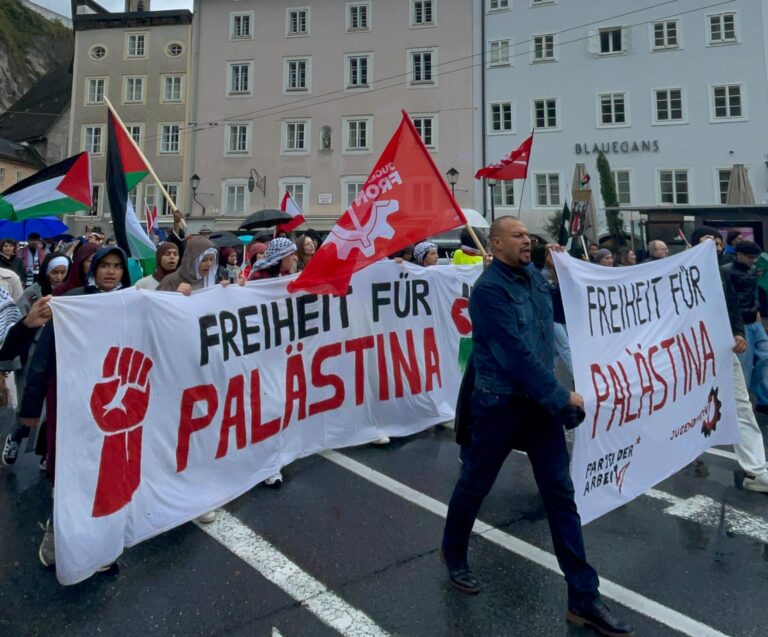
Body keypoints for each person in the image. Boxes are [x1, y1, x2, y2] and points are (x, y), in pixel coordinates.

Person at [441, 216, 634, 636]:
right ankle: (454, 554)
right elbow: (516, 355)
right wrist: (562, 396)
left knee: (561, 497)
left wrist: (568, 269)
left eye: (529, 235)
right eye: (518, 236)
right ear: (495, 243)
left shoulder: (535, 280)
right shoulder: (488, 293)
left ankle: (583, 597)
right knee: (474, 484)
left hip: (538, 408)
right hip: (499, 406)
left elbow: (565, 322)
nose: (527, 241)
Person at [20, 247, 131, 569]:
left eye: (117, 266)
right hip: (71, 403)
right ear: (92, 269)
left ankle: (99, 548)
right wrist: (29, 411)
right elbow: (41, 362)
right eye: (104, 266)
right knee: (71, 474)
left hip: (112, 404)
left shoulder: (129, 302)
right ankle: (56, 536)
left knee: (105, 477)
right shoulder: (72, 304)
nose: (110, 272)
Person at [691, 227, 768, 492]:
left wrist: (737, 332)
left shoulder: (721, 275)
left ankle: (756, 471)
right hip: (692, 354)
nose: (715, 246)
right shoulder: (682, 274)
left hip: (722, 349)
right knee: (685, 405)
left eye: (718, 242)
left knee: (741, 405)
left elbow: (732, 305)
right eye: (707, 242)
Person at [720, 241, 768, 413]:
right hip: (740, 324)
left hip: (754, 320)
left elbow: (753, 292)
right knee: (744, 366)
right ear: (739, 254)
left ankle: (764, 399)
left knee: (765, 358)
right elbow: (729, 301)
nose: (753, 260)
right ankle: (742, 405)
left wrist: (757, 310)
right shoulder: (725, 271)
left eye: (755, 258)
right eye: (750, 257)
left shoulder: (751, 270)